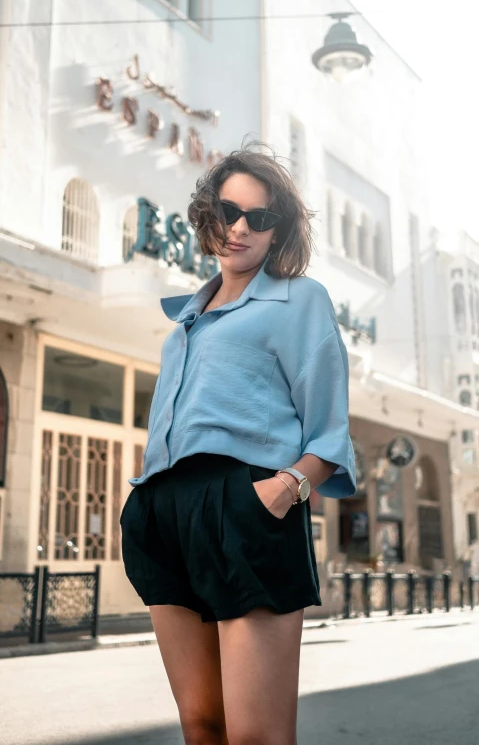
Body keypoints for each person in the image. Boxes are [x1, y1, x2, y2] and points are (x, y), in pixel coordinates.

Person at [120, 145, 356, 745]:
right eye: (228, 211)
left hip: (247, 508)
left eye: (260, 217)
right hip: (165, 515)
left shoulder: (299, 301)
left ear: (280, 231)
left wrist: (281, 492)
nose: (240, 227)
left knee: (256, 736)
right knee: (202, 727)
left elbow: (329, 430)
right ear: (208, 215)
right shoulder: (186, 323)